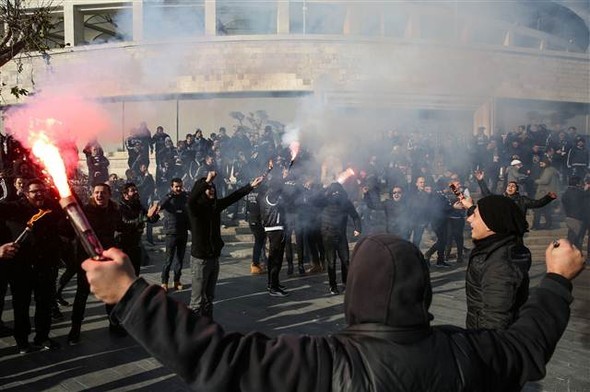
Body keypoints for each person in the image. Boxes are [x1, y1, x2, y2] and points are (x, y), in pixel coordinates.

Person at [82, 234, 584, 391]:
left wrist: (130, 295)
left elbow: (218, 358)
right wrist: (558, 278)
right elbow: (527, 343)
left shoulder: (324, 361)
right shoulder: (466, 352)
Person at [187, 171, 263, 317]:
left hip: (213, 257)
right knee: (196, 302)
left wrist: (250, 186)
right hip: (200, 260)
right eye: (208, 188)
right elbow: (191, 200)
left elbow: (233, 197)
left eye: (213, 187)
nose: (212, 190)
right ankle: (191, 332)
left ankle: (208, 328)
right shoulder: (195, 209)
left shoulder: (215, 206)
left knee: (209, 298)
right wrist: (207, 181)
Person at [461, 194, 531, 329]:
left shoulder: (500, 267)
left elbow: (495, 322)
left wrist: (480, 346)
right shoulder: (500, 243)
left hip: (483, 340)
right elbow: (491, 216)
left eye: (474, 215)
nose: (469, 219)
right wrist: (470, 207)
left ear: (490, 224)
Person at [159, 178, 190, 290]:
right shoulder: (168, 197)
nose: (178, 189)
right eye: (176, 186)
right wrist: (170, 196)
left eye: (180, 186)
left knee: (180, 259)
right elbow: (160, 206)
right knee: (169, 259)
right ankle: (164, 282)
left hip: (183, 231)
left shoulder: (185, 197)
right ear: (171, 187)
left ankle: (177, 280)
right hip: (171, 233)